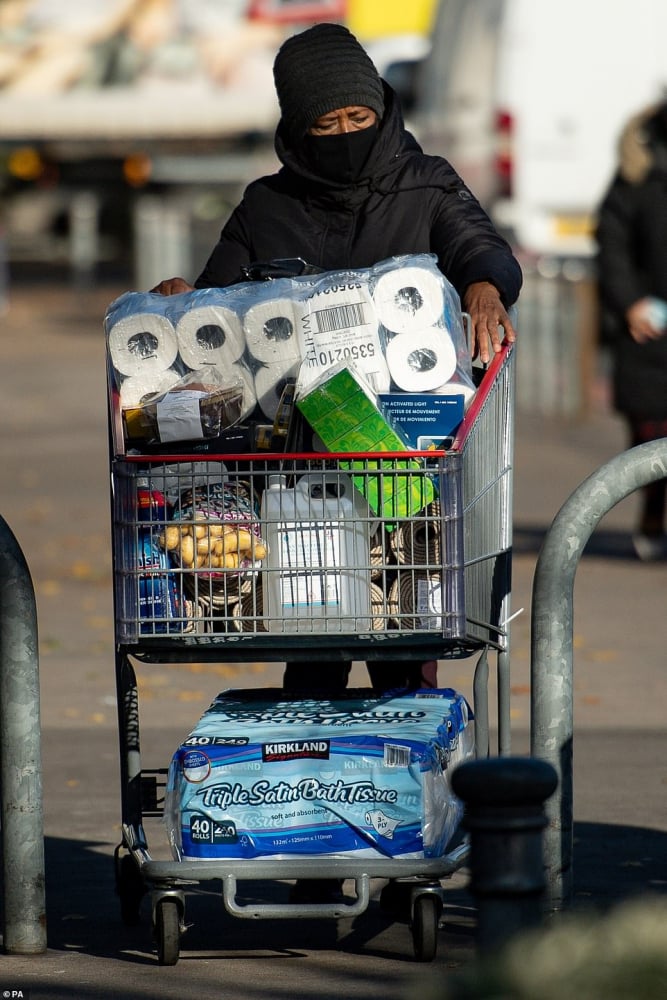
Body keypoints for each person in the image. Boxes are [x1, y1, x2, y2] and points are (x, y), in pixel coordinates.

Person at [152, 22, 522, 691]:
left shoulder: (426, 185)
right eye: (328, 123)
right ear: (299, 128)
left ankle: (409, 761)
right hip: (294, 461)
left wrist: (484, 284)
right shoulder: (267, 206)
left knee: (402, 642)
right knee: (310, 636)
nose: (348, 133)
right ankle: (312, 767)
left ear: (381, 109)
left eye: (360, 116)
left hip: (403, 450)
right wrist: (181, 303)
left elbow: (474, 242)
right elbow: (216, 309)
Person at [596, 98, 667, 561]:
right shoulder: (638, 179)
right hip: (651, 334)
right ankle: (652, 518)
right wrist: (630, 304)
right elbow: (612, 245)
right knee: (652, 436)